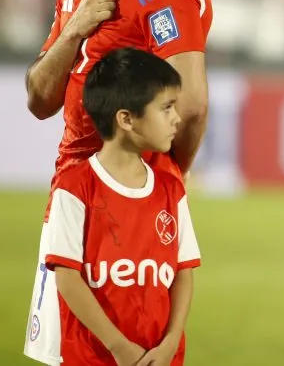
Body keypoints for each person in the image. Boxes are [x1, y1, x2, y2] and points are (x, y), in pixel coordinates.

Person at [24, 0, 213, 366]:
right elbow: (39, 99)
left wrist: (159, 190)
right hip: (71, 193)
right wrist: (74, 29)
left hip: (127, 210)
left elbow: (192, 103)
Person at [44, 47, 201, 366]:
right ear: (126, 119)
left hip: (160, 357)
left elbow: (183, 273)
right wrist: (119, 347)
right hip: (94, 357)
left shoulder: (172, 190)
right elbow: (67, 278)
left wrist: (170, 344)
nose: (177, 118)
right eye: (167, 107)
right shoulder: (76, 186)